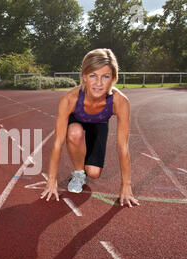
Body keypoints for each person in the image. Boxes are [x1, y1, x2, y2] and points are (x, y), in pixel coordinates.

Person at [41, 48, 140, 208]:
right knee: (74, 132)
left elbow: (122, 146)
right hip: (77, 122)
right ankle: (79, 173)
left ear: (113, 78)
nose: (99, 83)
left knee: (94, 172)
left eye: (105, 76)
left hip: (99, 124)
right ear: (84, 76)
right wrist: (51, 180)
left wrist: (126, 185)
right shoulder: (69, 99)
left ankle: (86, 166)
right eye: (93, 75)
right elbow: (58, 142)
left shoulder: (120, 102)